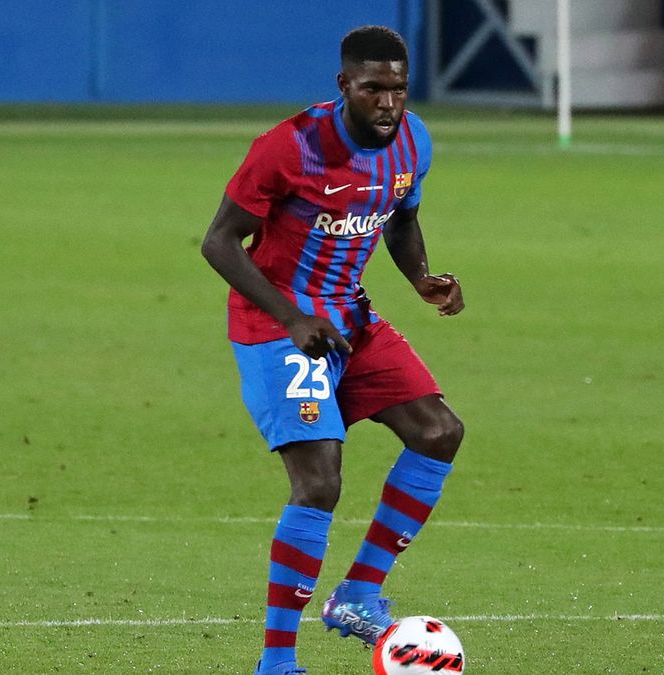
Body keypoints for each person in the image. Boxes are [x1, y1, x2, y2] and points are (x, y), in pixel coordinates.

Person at [201, 25, 465, 675]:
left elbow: (401, 217)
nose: (387, 102)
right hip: (277, 326)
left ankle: (357, 593)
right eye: (373, 88)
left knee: (438, 431)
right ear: (344, 85)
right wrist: (291, 317)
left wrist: (422, 276)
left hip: (348, 316)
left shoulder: (412, 140)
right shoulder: (288, 149)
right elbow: (220, 241)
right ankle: (277, 662)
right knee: (318, 482)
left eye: (398, 90)